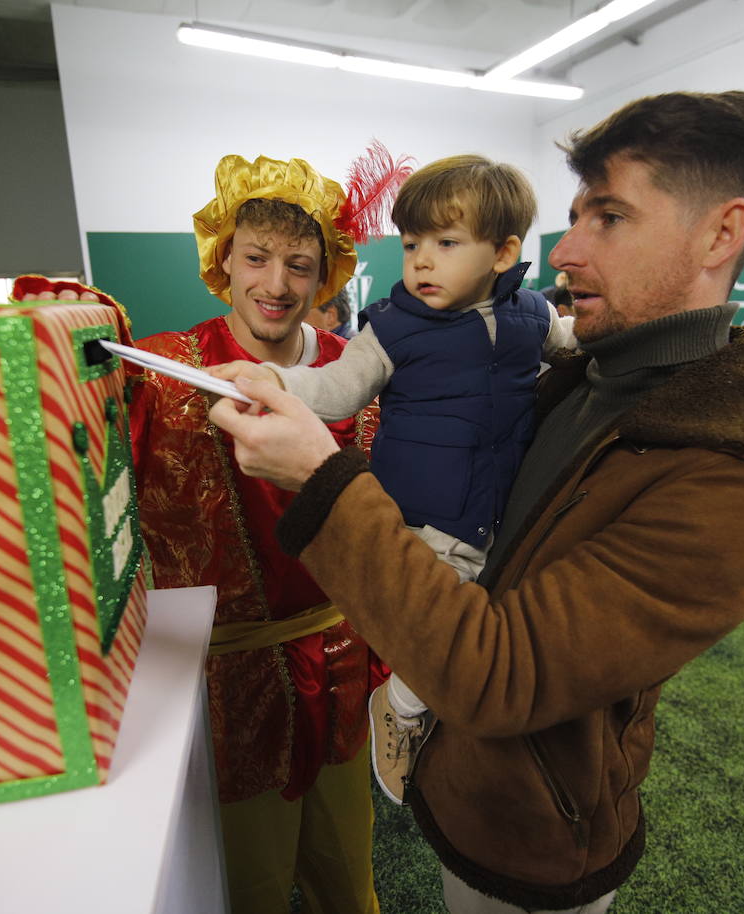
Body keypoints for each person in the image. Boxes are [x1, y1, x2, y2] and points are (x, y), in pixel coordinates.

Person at [209, 90, 744, 914]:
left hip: (538, 835)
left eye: (608, 217)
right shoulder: (580, 373)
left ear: (722, 232)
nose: (563, 250)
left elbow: (499, 676)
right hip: (463, 787)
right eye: (572, 216)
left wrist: (324, 479)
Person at [22, 154, 382, 914]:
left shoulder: (360, 371)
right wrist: (56, 319)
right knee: (245, 887)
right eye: (255, 258)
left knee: (346, 877)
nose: (276, 284)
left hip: (342, 666)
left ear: (326, 276)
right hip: (225, 688)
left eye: (298, 264)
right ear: (223, 260)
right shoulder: (159, 369)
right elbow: (58, 409)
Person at [210, 154, 577, 805]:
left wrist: (621, 330)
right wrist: (277, 381)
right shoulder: (393, 328)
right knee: (444, 629)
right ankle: (402, 711)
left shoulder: (532, 317)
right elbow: (336, 388)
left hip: (497, 513)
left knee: (499, 620)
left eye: (445, 242)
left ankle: (431, 715)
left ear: (504, 253)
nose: (423, 262)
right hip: (426, 515)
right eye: (411, 245)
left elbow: (575, 344)